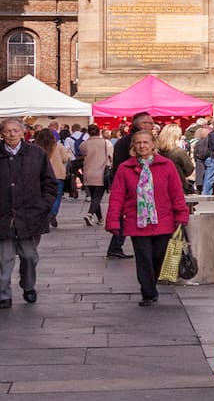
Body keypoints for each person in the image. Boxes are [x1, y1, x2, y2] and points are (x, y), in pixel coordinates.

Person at [0, 118, 60, 309]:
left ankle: (28, 285)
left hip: (31, 215)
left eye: (16, 130)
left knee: (29, 255)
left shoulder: (36, 154)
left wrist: (45, 205)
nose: (12, 134)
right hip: (2, 215)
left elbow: (49, 183)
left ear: (23, 132)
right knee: (2, 258)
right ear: (1, 134)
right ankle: (3, 296)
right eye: (8, 131)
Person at [104, 124, 191, 305]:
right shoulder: (125, 168)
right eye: (138, 143)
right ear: (133, 146)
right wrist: (113, 220)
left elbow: (176, 193)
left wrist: (181, 215)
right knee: (143, 258)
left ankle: (152, 282)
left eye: (145, 142)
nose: (142, 146)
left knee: (158, 256)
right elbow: (117, 197)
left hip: (163, 221)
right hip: (137, 222)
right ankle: (148, 292)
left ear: (153, 145)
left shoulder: (166, 166)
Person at [107, 111, 155, 260]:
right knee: (127, 215)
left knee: (125, 215)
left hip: (130, 184)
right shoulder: (133, 142)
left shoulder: (126, 140)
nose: (152, 125)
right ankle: (115, 246)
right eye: (149, 123)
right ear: (141, 124)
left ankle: (115, 246)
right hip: (133, 185)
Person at [79, 125, 113, 225]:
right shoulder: (106, 143)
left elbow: (82, 154)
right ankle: (89, 214)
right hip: (101, 173)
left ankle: (100, 218)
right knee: (97, 197)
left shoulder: (84, 144)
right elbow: (111, 156)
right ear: (99, 132)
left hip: (88, 172)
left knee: (94, 196)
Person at [35, 128, 68, 225]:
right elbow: (65, 159)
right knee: (57, 197)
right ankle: (52, 214)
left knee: (43, 196)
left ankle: (46, 214)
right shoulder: (59, 146)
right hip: (58, 174)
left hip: (41, 174)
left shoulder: (36, 147)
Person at [192, 117, 214, 195]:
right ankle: (206, 194)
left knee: (208, 176)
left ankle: (206, 193)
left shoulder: (210, 134)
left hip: (206, 157)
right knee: (210, 177)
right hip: (211, 157)